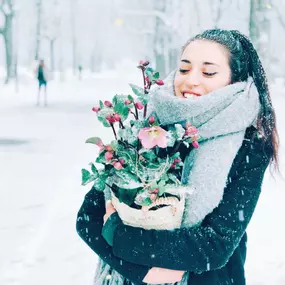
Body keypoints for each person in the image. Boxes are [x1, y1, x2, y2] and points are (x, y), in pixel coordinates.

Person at [76, 29, 279, 285]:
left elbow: (214, 246)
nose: (191, 81)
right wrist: (142, 272)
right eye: (184, 69)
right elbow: (88, 218)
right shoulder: (147, 124)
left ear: (234, 80)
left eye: (208, 72)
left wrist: (118, 234)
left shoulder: (249, 145)